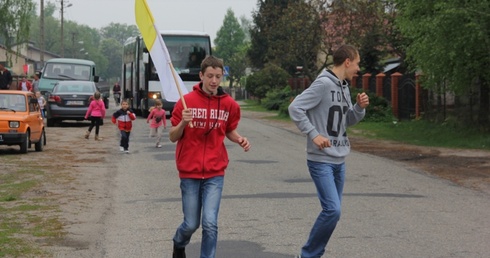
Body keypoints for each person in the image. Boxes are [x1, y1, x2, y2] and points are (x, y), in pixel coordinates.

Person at [288, 45, 370, 258]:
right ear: (347, 61)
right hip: (320, 159)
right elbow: (295, 108)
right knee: (332, 210)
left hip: (339, 159)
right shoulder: (323, 83)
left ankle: (311, 254)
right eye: (358, 63)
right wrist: (314, 134)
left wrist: (359, 107)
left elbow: (346, 121)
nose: (358, 69)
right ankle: (307, 255)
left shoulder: (343, 86)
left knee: (333, 213)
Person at [169, 55, 251, 258]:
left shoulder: (229, 104)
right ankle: (179, 243)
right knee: (190, 224)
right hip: (189, 172)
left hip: (215, 172)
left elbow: (229, 130)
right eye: (209, 76)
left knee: (210, 223)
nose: (214, 81)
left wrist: (239, 139)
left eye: (218, 76)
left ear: (222, 76)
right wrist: (183, 124)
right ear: (201, 76)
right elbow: (172, 136)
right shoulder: (186, 102)